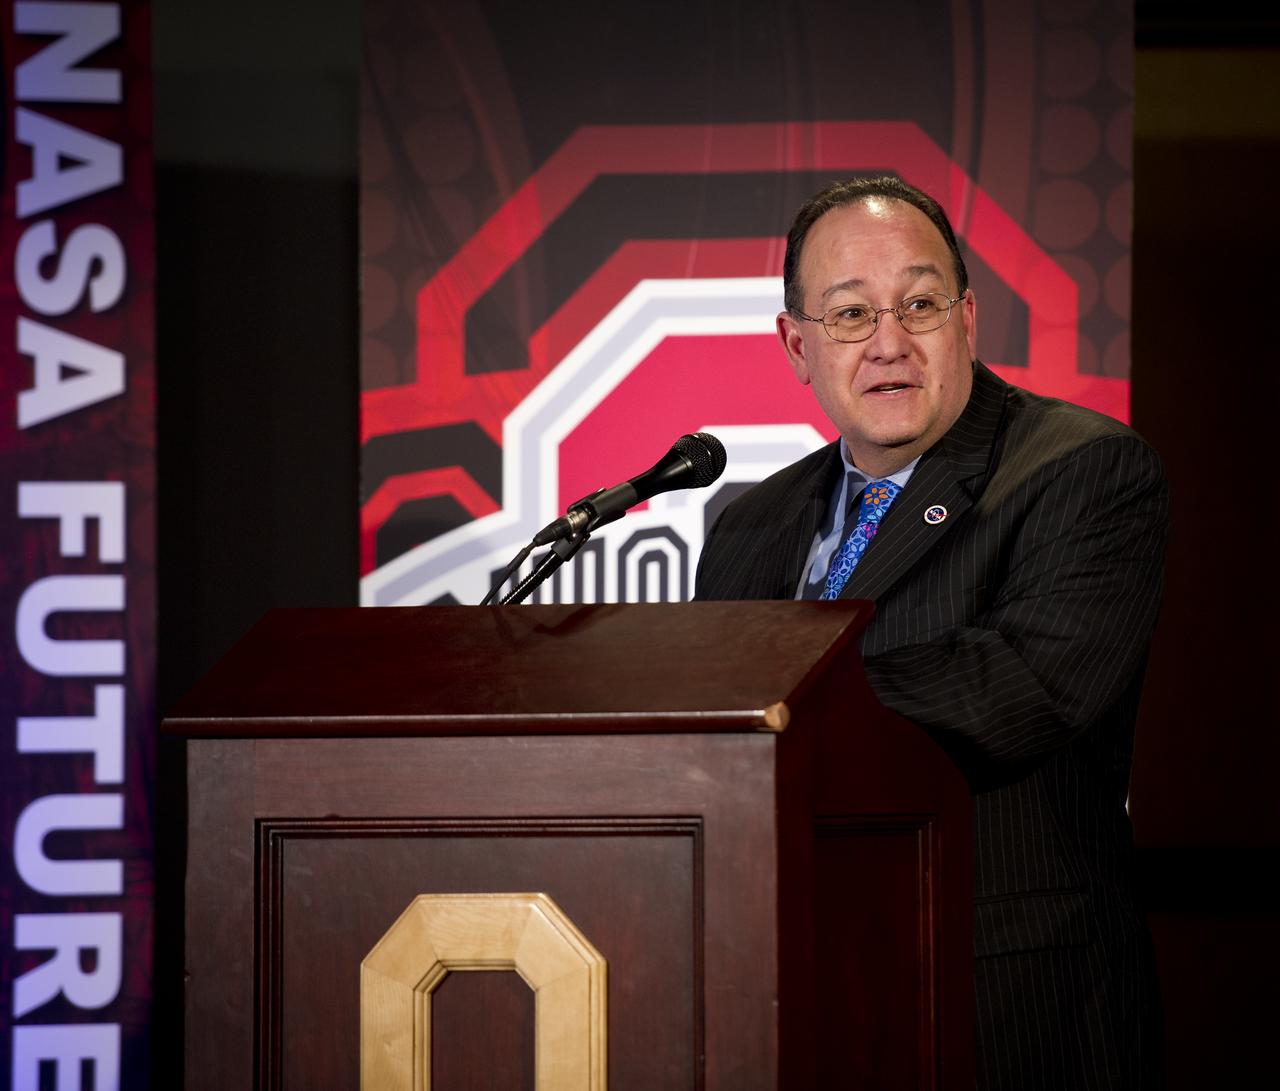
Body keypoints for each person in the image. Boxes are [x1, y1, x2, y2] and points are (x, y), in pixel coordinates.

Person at [695, 176, 1166, 1090]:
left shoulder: (1085, 470)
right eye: (849, 315)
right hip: (790, 996)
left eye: (919, 304)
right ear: (796, 344)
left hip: (1006, 1001)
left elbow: (1022, 687)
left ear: (968, 318)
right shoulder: (749, 523)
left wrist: (767, 701)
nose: (889, 344)